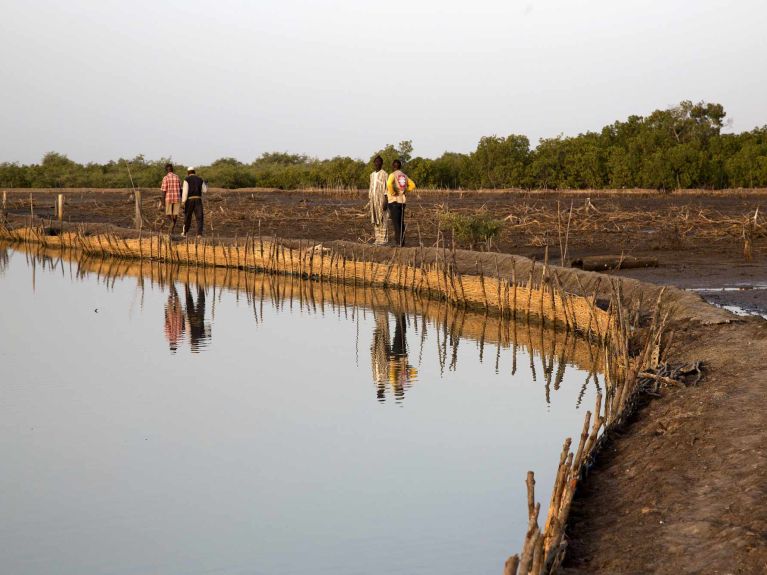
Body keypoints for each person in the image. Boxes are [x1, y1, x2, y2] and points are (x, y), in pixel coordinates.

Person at [386, 159, 415, 247]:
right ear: (400, 166)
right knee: (401, 222)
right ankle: (402, 242)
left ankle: (398, 243)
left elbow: (389, 184)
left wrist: (392, 193)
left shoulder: (392, 175)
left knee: (396, 224)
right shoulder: (405, 176)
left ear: (393, 166)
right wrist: (405, 190)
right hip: (402, 202)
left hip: (394, 201)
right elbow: (413, 185)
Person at [368, 155, 389, 245]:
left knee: (383, 218)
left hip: (382, 200)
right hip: (373, 200)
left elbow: (387, 189)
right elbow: (371, 188)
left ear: (382, 163)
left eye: (379, 162)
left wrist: (386, 201)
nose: (377, 163)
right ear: (374, 163)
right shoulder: (372, 175)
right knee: (375, 219)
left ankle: (383, 240)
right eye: (376, 162)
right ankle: (378, 239)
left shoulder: (385, 174)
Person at [181, 166, 207, 237]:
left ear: (188, 173)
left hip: (190, 200)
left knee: (188, 216)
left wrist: (183, 202)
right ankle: (199, 234)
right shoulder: (200, 179)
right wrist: (205, 184)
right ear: (194, 172)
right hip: (198, 200)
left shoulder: (186, 179)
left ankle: (185, 232)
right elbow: (205, 190)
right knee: (199, 217)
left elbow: (185, 192)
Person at [160, 163, 182, 233]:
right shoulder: (177, 177)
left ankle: (172, 223)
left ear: (166, 170)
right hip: (177, 198)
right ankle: (172, 228)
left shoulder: (165, 178)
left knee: (168, 213)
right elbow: (180, 189)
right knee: (175, 214)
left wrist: (163, 203)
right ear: (172, 169)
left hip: (168, 198)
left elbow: (163, 191)